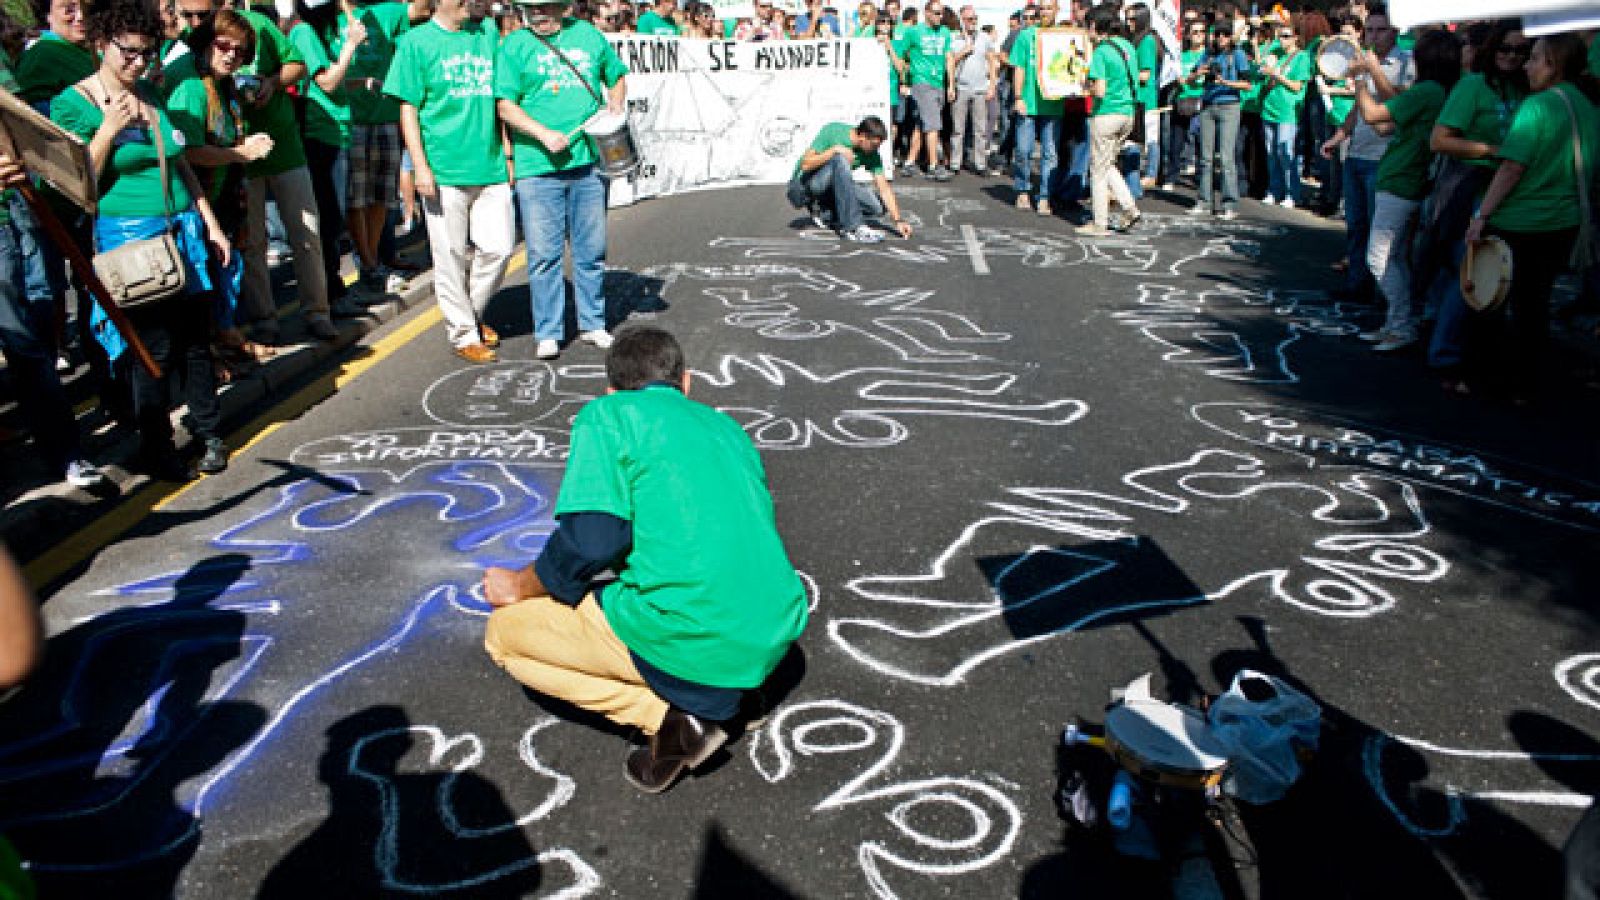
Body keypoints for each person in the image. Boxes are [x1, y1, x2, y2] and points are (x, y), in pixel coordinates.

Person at [482, 325, 809, 795]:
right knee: (646, 582)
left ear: (612, 390)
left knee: (505, 636)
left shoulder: (609, 416)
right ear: (687, 383)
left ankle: (679, 721)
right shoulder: (725, 427)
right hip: (774, 625)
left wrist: (519, 585)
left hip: (699, 631)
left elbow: (593, 540)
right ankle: (737, 692)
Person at [52, 0, 233, 480]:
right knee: (151, 348)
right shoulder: (74, 103)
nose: (138, 62)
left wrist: (210, 222)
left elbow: (181, 166)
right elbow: (77, 183)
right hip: (132, 241)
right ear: (100, 44)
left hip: (184, 233)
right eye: (129, 53)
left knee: (196, 339)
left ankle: (209, 432)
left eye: (147, 53)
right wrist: (109, 130)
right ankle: (157, 445)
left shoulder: (151, 94)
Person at [1462, 33, 1598, 404]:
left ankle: (1486, 379)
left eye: (1534, 58)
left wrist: (1481, 215)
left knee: (1490, 301)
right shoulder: (1587, 108)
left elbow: (1511, 167)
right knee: (1534, 306)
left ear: (1553, 64)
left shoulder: (1537, 106)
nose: (1526, 64)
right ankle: (1526, 384)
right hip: (1562, 222)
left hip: (1518, 221)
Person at [495, 0, 627, 361]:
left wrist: (615, 104)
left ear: (562, 7)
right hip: (537, 167)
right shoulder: (514, 46)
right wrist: (542, 134)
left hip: (588, 161)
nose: (537, 14)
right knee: (543, 255)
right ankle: (549, 331)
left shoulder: (587, 36)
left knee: (591, 250)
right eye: (530, 8)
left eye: (544, 7)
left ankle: (593, 322)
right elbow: (505, 105)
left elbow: (615, 76)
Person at [386, 0, 513, 364]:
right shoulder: (416, 42)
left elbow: (499, 98)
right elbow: (407, 109)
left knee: (499, 248)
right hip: (443, 168)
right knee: (451, 256)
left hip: (489, 165)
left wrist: (507, 153)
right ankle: (463, 334)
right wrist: (419, 167)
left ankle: (470, 314)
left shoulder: (487, 32)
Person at [166, 9, 279, 381]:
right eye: (223, 46)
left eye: (240, 51)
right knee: (202, 278)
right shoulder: (191, 86)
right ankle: (208, 356)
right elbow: (187, 151)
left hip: (226, 193)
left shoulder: (224, 83)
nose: (231, 55)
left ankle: (228, 338)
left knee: (228, 268)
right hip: (195, 198)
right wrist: (240, 153)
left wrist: (243, 145)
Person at [1425, 21, 1529, 389]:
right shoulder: (1473, 86)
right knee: (1464, 270)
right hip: (1467, 184)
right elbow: (1439, 140)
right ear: (1491, 49)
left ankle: (1469, 354)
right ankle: (1446, 357)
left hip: (1509, 191)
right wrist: (1491, 151)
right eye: (1505, 49)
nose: (1512, 57)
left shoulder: (1526, 86)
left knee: (1489, 274)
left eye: (1520, 51)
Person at [0, 150, 108, 489]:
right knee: (26, 346)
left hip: (20, 209)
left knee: (44, 328)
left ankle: (61, 449)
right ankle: (65, 453)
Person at [1349, 27, 1456, 353]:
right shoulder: (1436, 93)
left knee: (1379, 258)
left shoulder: (1427, 92)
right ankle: (1396, 322)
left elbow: (1373, 113)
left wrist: (1362, 79)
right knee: (1395, 258)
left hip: (1402, 181)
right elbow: (1385, 126)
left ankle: (1401, 324)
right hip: (1401, 177)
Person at [1320, 7, 1412, 304]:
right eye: (1369, 30)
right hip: (1357, 154)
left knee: (1380, 234)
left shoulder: (1405, 64)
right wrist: (1338, 137)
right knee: (1356, 226)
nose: (1373, 35)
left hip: (1384, 158)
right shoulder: (1362, 61)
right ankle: (1357, 285)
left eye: (1380, 30)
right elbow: (1359, 109)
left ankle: (1384, 294)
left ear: (1394, 32)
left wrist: (1372, 71)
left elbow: (1399, 105)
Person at [786, 116, 913, 242]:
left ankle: (826, 213)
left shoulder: (872, 154)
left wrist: (898, 220)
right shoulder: (833, 131)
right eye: (874, 145)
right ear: (862, 136)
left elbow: (884, 188)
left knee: (877, 207)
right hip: (804, 186)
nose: (876, 149)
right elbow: (805, 164)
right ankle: (854, 227)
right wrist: (834, 150)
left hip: (832, 187)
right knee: (840, 159)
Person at [1081, 2, 1139, 237]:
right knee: (1107, 165)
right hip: (1127, 113)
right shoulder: (1127, 47)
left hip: (1106, 113)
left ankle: (1100, 223)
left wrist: (1085, 87)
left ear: (1095, 26)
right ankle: (1129, 207)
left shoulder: (1102, 51)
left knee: (1098, 170)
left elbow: (1101, 90)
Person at [1008, 0, 1061, 213]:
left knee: (1050, 153)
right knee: (1023, 150)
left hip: (1054, 103)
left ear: (1056, 11)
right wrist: (1018, 96)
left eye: (1050, 8)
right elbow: (1018, 67)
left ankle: (1045, 196)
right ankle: (1022, 190)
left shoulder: (1063, 36)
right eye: (1043, 9)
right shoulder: (1026, 35)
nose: (1046, 13)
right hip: (1029, 101)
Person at [899, 0, 954, 180]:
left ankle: (909, 162)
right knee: (933, 125)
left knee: (922, 124)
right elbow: (901, 55)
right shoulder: (914, 32)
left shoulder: (945, 32)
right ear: (927, 13)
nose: (940, 17)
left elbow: (949, 58)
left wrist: (950, 85)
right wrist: (904, 79)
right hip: (921, 82)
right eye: (937, 13)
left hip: (938, 83)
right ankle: (933, 166)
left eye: (942, 13)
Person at [1257, 19, 1310, 206]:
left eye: (1286, 36)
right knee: (1271, 153)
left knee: (1286, 152)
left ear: (1296, 37)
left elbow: (1297, 86)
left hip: (1288, 111)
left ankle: (1291, 193)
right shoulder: (1275, 54)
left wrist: (1277, 75)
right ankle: (1274, 189)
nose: (1282, 40)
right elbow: (1261, 74)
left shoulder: (1302, 57)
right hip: (1269, 108)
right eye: (1280, 36)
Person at [1161, 16, 1207, 191]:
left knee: (1201, 144)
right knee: (1176, 142)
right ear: (1188, 35)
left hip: (1202, 101)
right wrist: (1193, 76)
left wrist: (1192, 78)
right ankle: (1171, 176)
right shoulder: (1181, 56)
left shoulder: (1207, 56)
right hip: (1183, 101)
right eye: (1195, 32)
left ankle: (1201, 178)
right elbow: (1180, 79)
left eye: (1202, 32)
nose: (1199, 35)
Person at [948, 5, 995, 176]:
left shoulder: (984, 38)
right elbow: (950, 62)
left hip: (980, 88)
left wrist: (992, 85)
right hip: (961, 87)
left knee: (980, 129)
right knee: (958, 128)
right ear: (962, 20)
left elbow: (991, 60)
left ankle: (980, 163)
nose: (973, 22)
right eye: (969, 19)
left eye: (975, 19)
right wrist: (963, 51)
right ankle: (955, 162)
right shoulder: (955, 39)